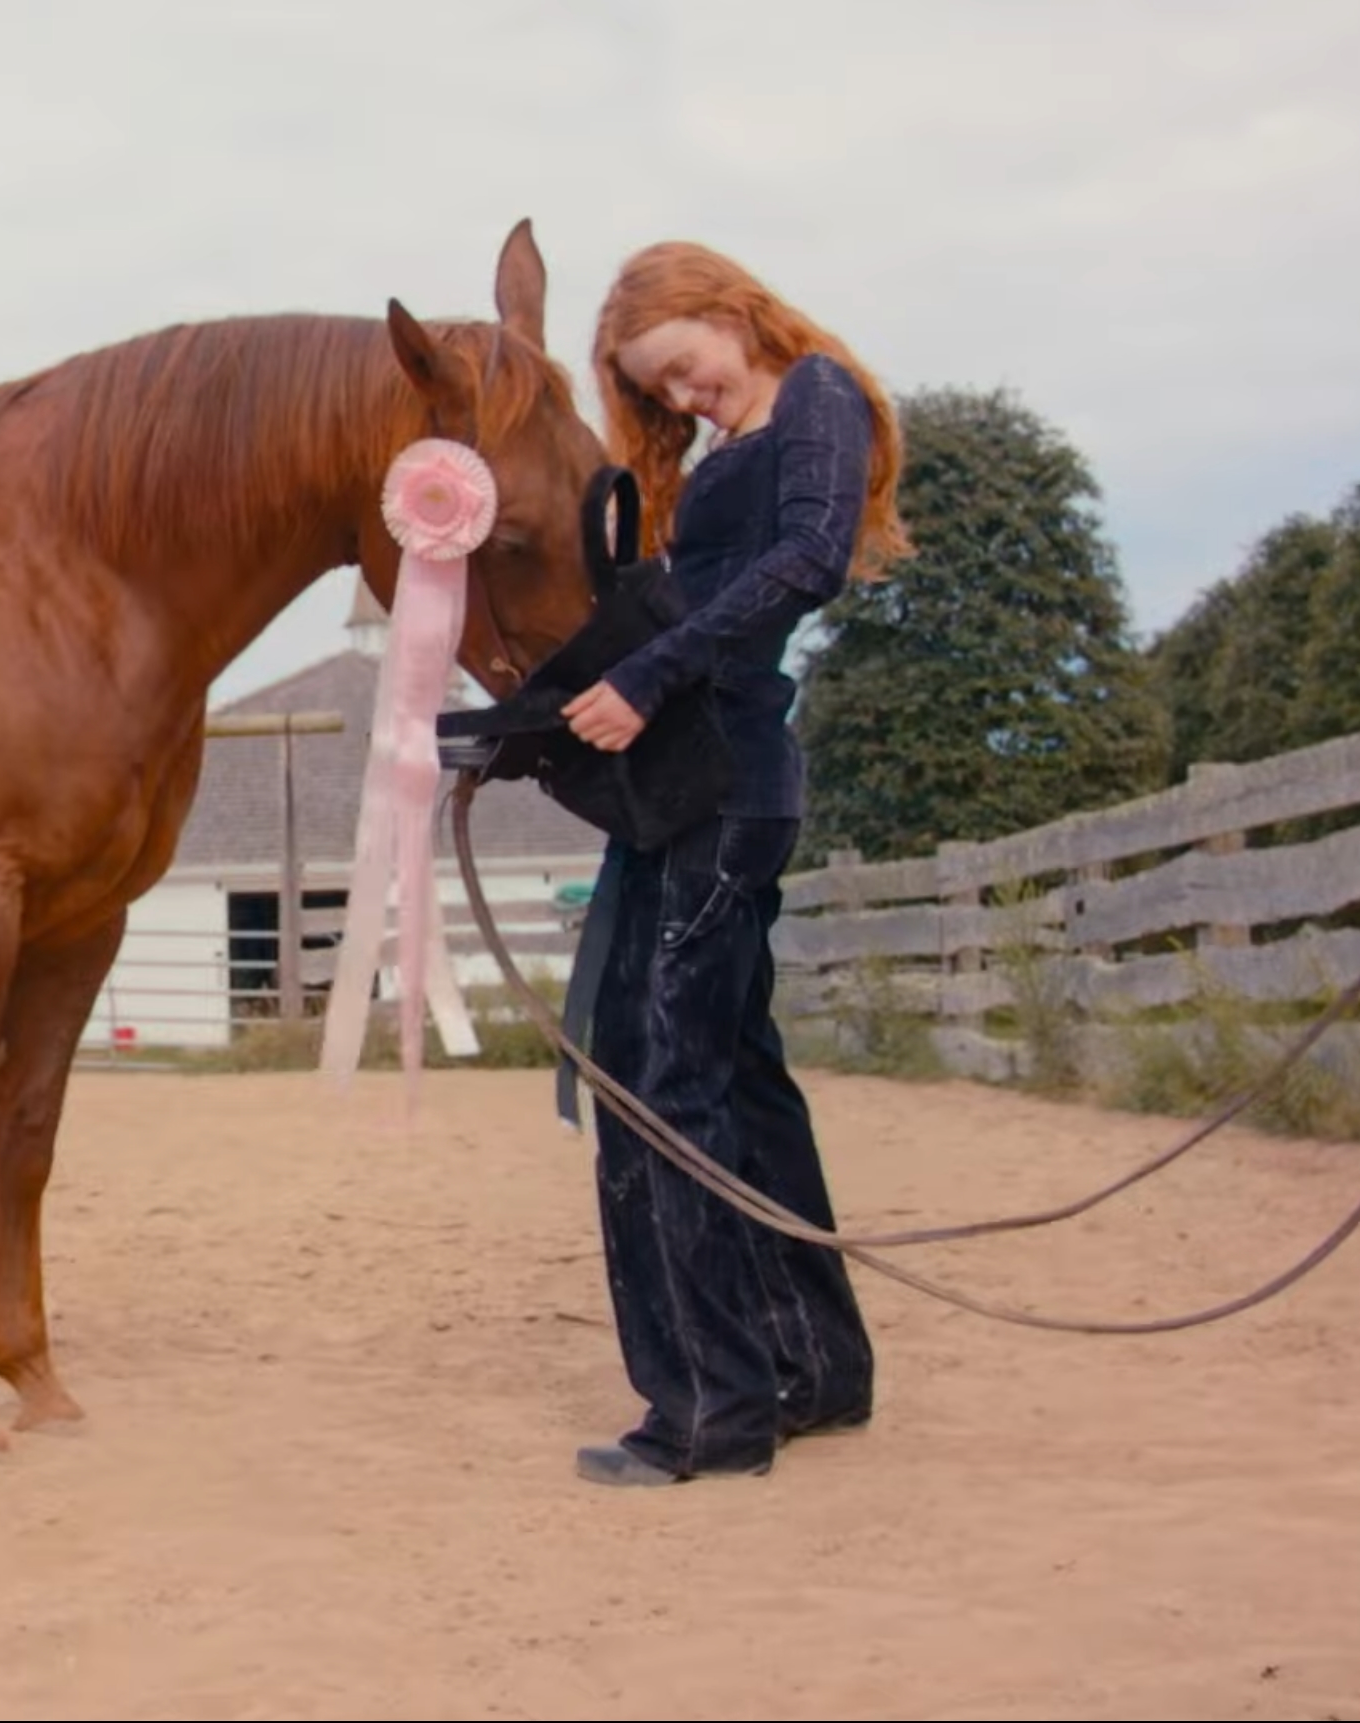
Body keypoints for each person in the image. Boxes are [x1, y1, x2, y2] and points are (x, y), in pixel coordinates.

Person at [551, 239, 913, 1487]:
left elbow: (807, 559)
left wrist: (648, 676)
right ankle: (815, 1367)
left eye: (682, 367)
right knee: (740, 1080)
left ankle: (712, 1405)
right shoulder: (723, 448)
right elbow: (690, 599)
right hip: (691, 783)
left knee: (661, 1076)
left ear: (722, 308)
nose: (681, 397)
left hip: (726, 784)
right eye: (659, 392)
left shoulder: (815, 395)